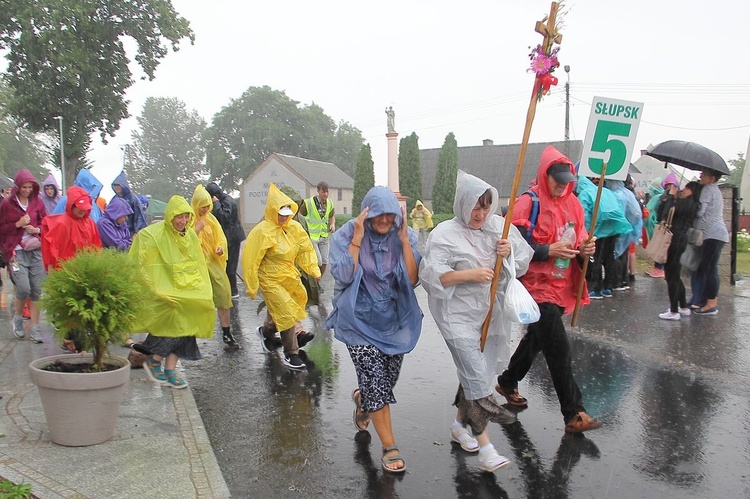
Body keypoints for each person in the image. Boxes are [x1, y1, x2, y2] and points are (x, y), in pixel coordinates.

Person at [420, 171, 533, 472]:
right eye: (474, 206)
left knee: (475, 371)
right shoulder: (444, 234)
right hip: (455, 316)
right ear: (462, 204)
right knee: (476, 380)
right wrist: (468, 274)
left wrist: (507, 254)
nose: (480, 213)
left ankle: (459, 427)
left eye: (485, 206)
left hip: (488, 316)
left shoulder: (499, 227)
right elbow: (431, 276)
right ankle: (487, 449)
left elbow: (520, 264)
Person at [496, 146, 602, 433]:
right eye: (557, 179)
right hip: (532, 288)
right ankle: (574, 412)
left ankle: (507, 381)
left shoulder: (574, 206)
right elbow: (511, 249)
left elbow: (580, 239)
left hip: (559, 285)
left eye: (566, 180)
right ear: (545, 175)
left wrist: (586, 248)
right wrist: (546, 249)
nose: (561, 185)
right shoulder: (526, 204)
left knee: (537, 339)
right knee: (559, 348)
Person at [324, 186, 422, 473]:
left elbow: (413, 279)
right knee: (375, 379)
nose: (385, 220)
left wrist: (404, 241)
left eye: (390, 214)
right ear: (367, 212)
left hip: (392, 320)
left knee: (386, 379)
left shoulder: (402, 234)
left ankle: (363, 400)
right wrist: (356, 239)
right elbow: (342, 275)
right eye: (379, 214)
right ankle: (389, 446)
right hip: (357, 320)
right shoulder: (346, 235)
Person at [129, 196, 216, 389]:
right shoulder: (154, 235)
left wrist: (202, 289)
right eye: (179, 217)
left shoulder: (190, 235)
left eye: (186, 217)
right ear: (170, 216)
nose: (183, 221)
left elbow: (196, 263)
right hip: (166, 289)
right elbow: (142, 260)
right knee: (176, 324)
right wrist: (153, 287)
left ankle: (169, 369)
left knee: (189, 324)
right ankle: (155, 359)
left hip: (188, 289)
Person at [242, 183, 321, 369]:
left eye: (287, 214)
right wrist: (252, 285)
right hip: (270, 279)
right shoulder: (262, 231)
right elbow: (251, 259)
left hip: (288, 276)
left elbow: (304, 250)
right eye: (281, 214)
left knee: (286, 308)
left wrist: (313, 270)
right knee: (285, 310)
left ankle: (266, 331)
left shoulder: (293, 228)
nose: (284, 218)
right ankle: (291, 353)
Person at [42, 186, 104, 352]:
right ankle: (73, 343)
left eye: (85, 209)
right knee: (72, 312)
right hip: (67, 275)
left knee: (82, 313)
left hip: (85, 274)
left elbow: (95, 246)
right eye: (80, 209)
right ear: (71, 206)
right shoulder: (62, 224)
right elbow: (53, 251)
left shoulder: (90, 223)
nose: (82, 212)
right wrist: (54, 275)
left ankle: (72, 342)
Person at [0, 169, 46, 343]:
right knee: (23, 287)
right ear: (17, 187)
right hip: (16, 251)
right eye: (24, 187)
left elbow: (45, 222)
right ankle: (18, 317)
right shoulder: (7, 204)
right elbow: (1, 228)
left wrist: (37, 230)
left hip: (35, 250)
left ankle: (35, 327)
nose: (27, 190)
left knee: (36, 289)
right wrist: (17, 224)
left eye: (30, 187)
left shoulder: (38, 202)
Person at [191, 184, 240, 349]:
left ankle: (227, 333)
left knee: (224, 294)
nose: (205, 209)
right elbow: (185, 244)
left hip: (212, 263)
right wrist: (196, 231)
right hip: (196, 266)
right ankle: (189, 337)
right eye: (202, 206)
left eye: (207, 206)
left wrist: (219, 248)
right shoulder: (189, 220)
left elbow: (220, 238)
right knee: (196, 302)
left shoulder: (212, 220)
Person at [658, 181, 702, 320]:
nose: (683, 190)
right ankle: (683, 306)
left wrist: (671, 197)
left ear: (693, 191)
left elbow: (664, 214)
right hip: (680, 240)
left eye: (687, 188)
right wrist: (668, 198)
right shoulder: (691, 204)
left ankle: (673, 311)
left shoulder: (686, 204)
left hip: (674, 240)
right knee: (674, 274)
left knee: (671, 275)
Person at [689, 168, 730, 315]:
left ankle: (711, 303)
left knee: (709, 268)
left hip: (713, 234)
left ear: (712, 178)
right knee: (707, 268)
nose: (701, 176)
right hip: (714, 235)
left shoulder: (708, 189)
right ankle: (704, 300)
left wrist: (690, 203)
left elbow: (700, 212)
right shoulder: (715, 190)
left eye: (704, 174)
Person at [205, 182, 246, 298]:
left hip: (233, 237)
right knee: (225, 265)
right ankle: (229, 291)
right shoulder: (224, 201)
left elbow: (224, 217)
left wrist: (216, 203)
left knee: (231, 267)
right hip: (227, 237)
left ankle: (233, 292)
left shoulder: (227, 201)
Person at [299, 181, 335, 277]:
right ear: (318, 191)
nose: (326, 194)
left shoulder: (330, 203)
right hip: (312, 237)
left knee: (324, 261)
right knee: (318, 261)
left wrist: (332, 224)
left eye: (327, 192)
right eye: (323, 192)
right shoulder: (309, 203)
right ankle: (313, 281)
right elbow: (299, 216)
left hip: (324, 236)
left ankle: (317, 281)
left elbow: (332, 216)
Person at [111, 170, 147, 235]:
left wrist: (136, 232)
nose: (116, 187)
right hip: (118, 232)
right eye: (115, 185)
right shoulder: (114, 199)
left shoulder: (133, 198)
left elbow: (138, 216)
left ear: (123, 185)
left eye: (118, 185)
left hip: (131, 231)